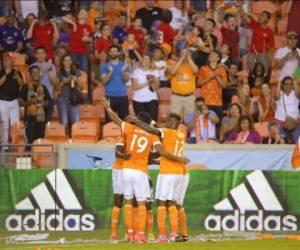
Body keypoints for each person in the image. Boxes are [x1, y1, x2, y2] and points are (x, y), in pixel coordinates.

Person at [104, 99, 189, 243]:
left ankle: (131, 234)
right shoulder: (165, 135)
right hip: (148, 171)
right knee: (147, 203)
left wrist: (107, 108)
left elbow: (117, 120)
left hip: (127, 169)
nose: (166, 122)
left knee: (129, 201)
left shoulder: (130, 130)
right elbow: (158, 149)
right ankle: (144, 234)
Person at [128, 112, 190, 242]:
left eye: (168, 121)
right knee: (178, 203)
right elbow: (158, 128)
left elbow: (152, 130)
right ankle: (183, 234)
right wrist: (151, 121)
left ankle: (166, 234)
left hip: (169, 172)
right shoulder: (181, 134)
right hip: (181, 172)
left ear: (173, 123)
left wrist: (134, 120)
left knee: (163, 202)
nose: (166, 123)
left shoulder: (167, 132)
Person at [19, 65, 51, 144]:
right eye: (33, 73)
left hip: (41, 118)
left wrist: (43, 103)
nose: (36, 74)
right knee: (30, 140)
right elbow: (20, 103)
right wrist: (31, 102)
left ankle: (38, 156)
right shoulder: (25, 87)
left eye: (37, 73)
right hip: (30, 118)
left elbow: (48, 102)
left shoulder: (43, 87)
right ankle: (30, 155)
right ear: (30, 75)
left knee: (40, 140)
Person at [101, 45, 129, 121]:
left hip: (122, 97)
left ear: (119, 53)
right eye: (111, 51)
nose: (113, 53)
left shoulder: (125, 65)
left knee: (124, 122)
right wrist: (110, 72)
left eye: (115, 51)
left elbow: (126, 80)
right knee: (109, 121)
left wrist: (123, 71)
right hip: (109, 97)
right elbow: (104, 82)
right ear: (109, 53)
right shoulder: (105, 66)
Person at [0, 55, 23, 148]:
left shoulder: (17, 72)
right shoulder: (1, 72)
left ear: (12, 62)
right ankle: (5, 146)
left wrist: (17, 75)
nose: (6, 62)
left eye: (8, 60)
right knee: (4, 123)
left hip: (14, 101)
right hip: (2, 101)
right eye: (5, 60)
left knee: (15, 124)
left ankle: (15, 145)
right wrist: (6, 74)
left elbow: (22, 84)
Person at [169, 48, 198, 120]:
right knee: (174, 119)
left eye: (187, 54)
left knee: (189, 119)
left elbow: (196, 70)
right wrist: (181, 59)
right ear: (179, 56)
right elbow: (173, 72)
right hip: (176, 97)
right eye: (182, 54)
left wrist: (188, 57)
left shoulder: (192, 66)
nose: (184, 55)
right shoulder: (174, 66)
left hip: (189, 97)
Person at [30, 47, 58, 122]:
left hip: (49, 98)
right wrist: (41, 71)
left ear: (45, 55)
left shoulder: (51, 66)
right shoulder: (32, 67)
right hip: (36, 98)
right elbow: (32, 82)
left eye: (42, 53)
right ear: (35, 55)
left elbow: (54, 82)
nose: (40, 55)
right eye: (38, 53)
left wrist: (49, 70)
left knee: (47, 121)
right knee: (38, 122)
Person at [198, 50, 227, 119]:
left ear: (218, 58)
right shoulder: (203, 68)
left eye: (213, 54)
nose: (210, 55)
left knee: (217, 124)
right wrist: (211, 76)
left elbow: (224, 86)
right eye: (210, 54)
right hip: (205, 101)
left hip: (217, 102)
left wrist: (216, 76)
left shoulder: (222, 70)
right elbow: (199, 83)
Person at [56, 54, 83, 128]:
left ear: (71, 62)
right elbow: (56, 88)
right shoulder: (59, 73)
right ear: (63, 62)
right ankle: (62, 138)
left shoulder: (77, 72)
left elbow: (82, 86)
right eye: (65, 60)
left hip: (74, 100)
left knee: (75, 122)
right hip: (62, 99)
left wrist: (76, 80)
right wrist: (63, 82)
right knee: (64, 122)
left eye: (69, 60)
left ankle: (74, 138)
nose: (67, 62)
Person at [131, 55, 160, 121]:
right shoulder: (136, 72)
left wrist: (152, 81)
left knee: (152, 123)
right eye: (143, 58)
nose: (143, 60)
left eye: (146, 59)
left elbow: (156, 88)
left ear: (150, 62)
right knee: (141, 123)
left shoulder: (155, 72)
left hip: (152, 100)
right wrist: (147, 82)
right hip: (138, 100)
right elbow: (134, 87)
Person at [274, 76, 300, 144]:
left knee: (297, 141)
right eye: (286, 84)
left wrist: (294, 80)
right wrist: (279, 83)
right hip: (280, 123)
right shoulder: (280, 93)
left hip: (295, 123)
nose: (288, 86)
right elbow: (276, 97)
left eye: (290, 84)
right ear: (283, 85)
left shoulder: (295, 93)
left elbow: (299, 93)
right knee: (282, 142)